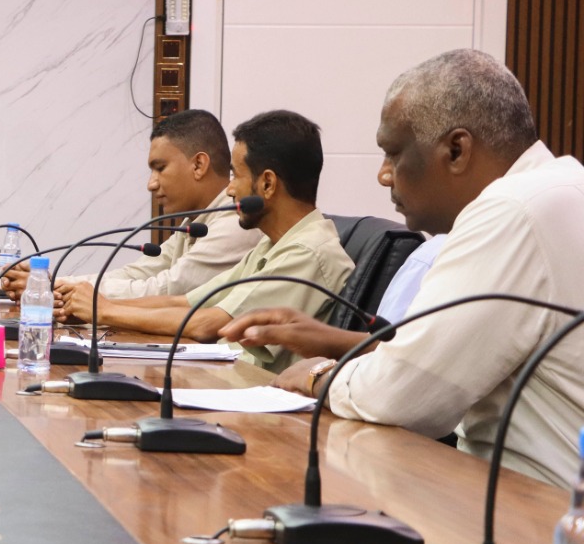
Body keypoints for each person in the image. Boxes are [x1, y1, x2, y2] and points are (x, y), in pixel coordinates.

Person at [221, 50, 584, 487]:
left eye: (393, 153)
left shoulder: (511, 210)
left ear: (456, 150)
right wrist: (337, 343)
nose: (384, 175)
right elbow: (440, 357)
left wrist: (318, 376)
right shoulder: (557, 189)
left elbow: (404, 397)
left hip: (540, 515)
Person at [54, 109, 353, 372]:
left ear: (267, 183)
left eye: (236, 176)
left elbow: (207, 323)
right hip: (225, 379)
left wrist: (105, 311)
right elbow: (182, 301)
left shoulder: (307, 251)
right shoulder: (272, 243)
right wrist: (94, 306)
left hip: (258, 399)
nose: (230, 189)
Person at [1, 108, 259, 300]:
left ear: (198, 165)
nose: (151, 184)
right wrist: (51, 282)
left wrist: (52, 288)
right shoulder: (195, 222)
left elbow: (165, 290)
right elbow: (138, 273)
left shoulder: (235, 223)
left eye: (160, 168)